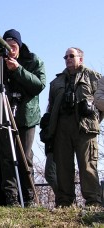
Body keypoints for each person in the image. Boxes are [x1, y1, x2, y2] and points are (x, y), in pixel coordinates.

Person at [0, 29, 46, 206]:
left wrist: (18, 70)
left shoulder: (33, 60)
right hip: (3, 115)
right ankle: (12, 198)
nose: (10, 49)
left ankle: (29, 197)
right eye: (7, 45)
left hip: (25, 117)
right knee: (6, 159)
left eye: (13, 46)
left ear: (20, 45)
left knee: (24, 157)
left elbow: (39, 85)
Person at [47, 47, 102, 207]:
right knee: (63, 167)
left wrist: (94, 117)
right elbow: (50, 107)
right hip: (61, 128)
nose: (68, 59)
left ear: (81, 59)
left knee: (87, 166)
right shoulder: (56, 82)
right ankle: (65, 203)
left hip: (85, 128)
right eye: (65, 57)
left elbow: (101, 103)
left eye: (71, 56)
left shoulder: (94, 77)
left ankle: (93, 203)